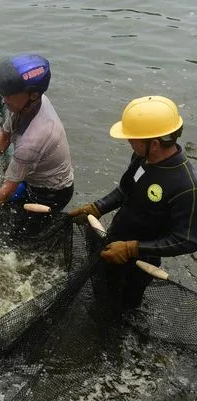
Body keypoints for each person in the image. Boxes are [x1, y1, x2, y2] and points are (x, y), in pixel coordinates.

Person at [69, 95, 197, 310]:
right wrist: (98, 207)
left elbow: (186, 240)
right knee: (101, 292)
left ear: (154, 144)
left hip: (140, 262)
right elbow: (126, 189)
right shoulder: (141, 157)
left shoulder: (186, 186)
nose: (128, 142)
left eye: (132, 138)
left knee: (122, 307)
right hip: (115, 241)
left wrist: (131, 249)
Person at [0, 54, 74, 234]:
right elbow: (5, 134)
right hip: (29, 179)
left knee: (18, 236)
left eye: (9, 95)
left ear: (33, 95)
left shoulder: (34, 139)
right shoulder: (28, 104)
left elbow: (7, 189)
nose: (4, 98)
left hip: (51, 193)